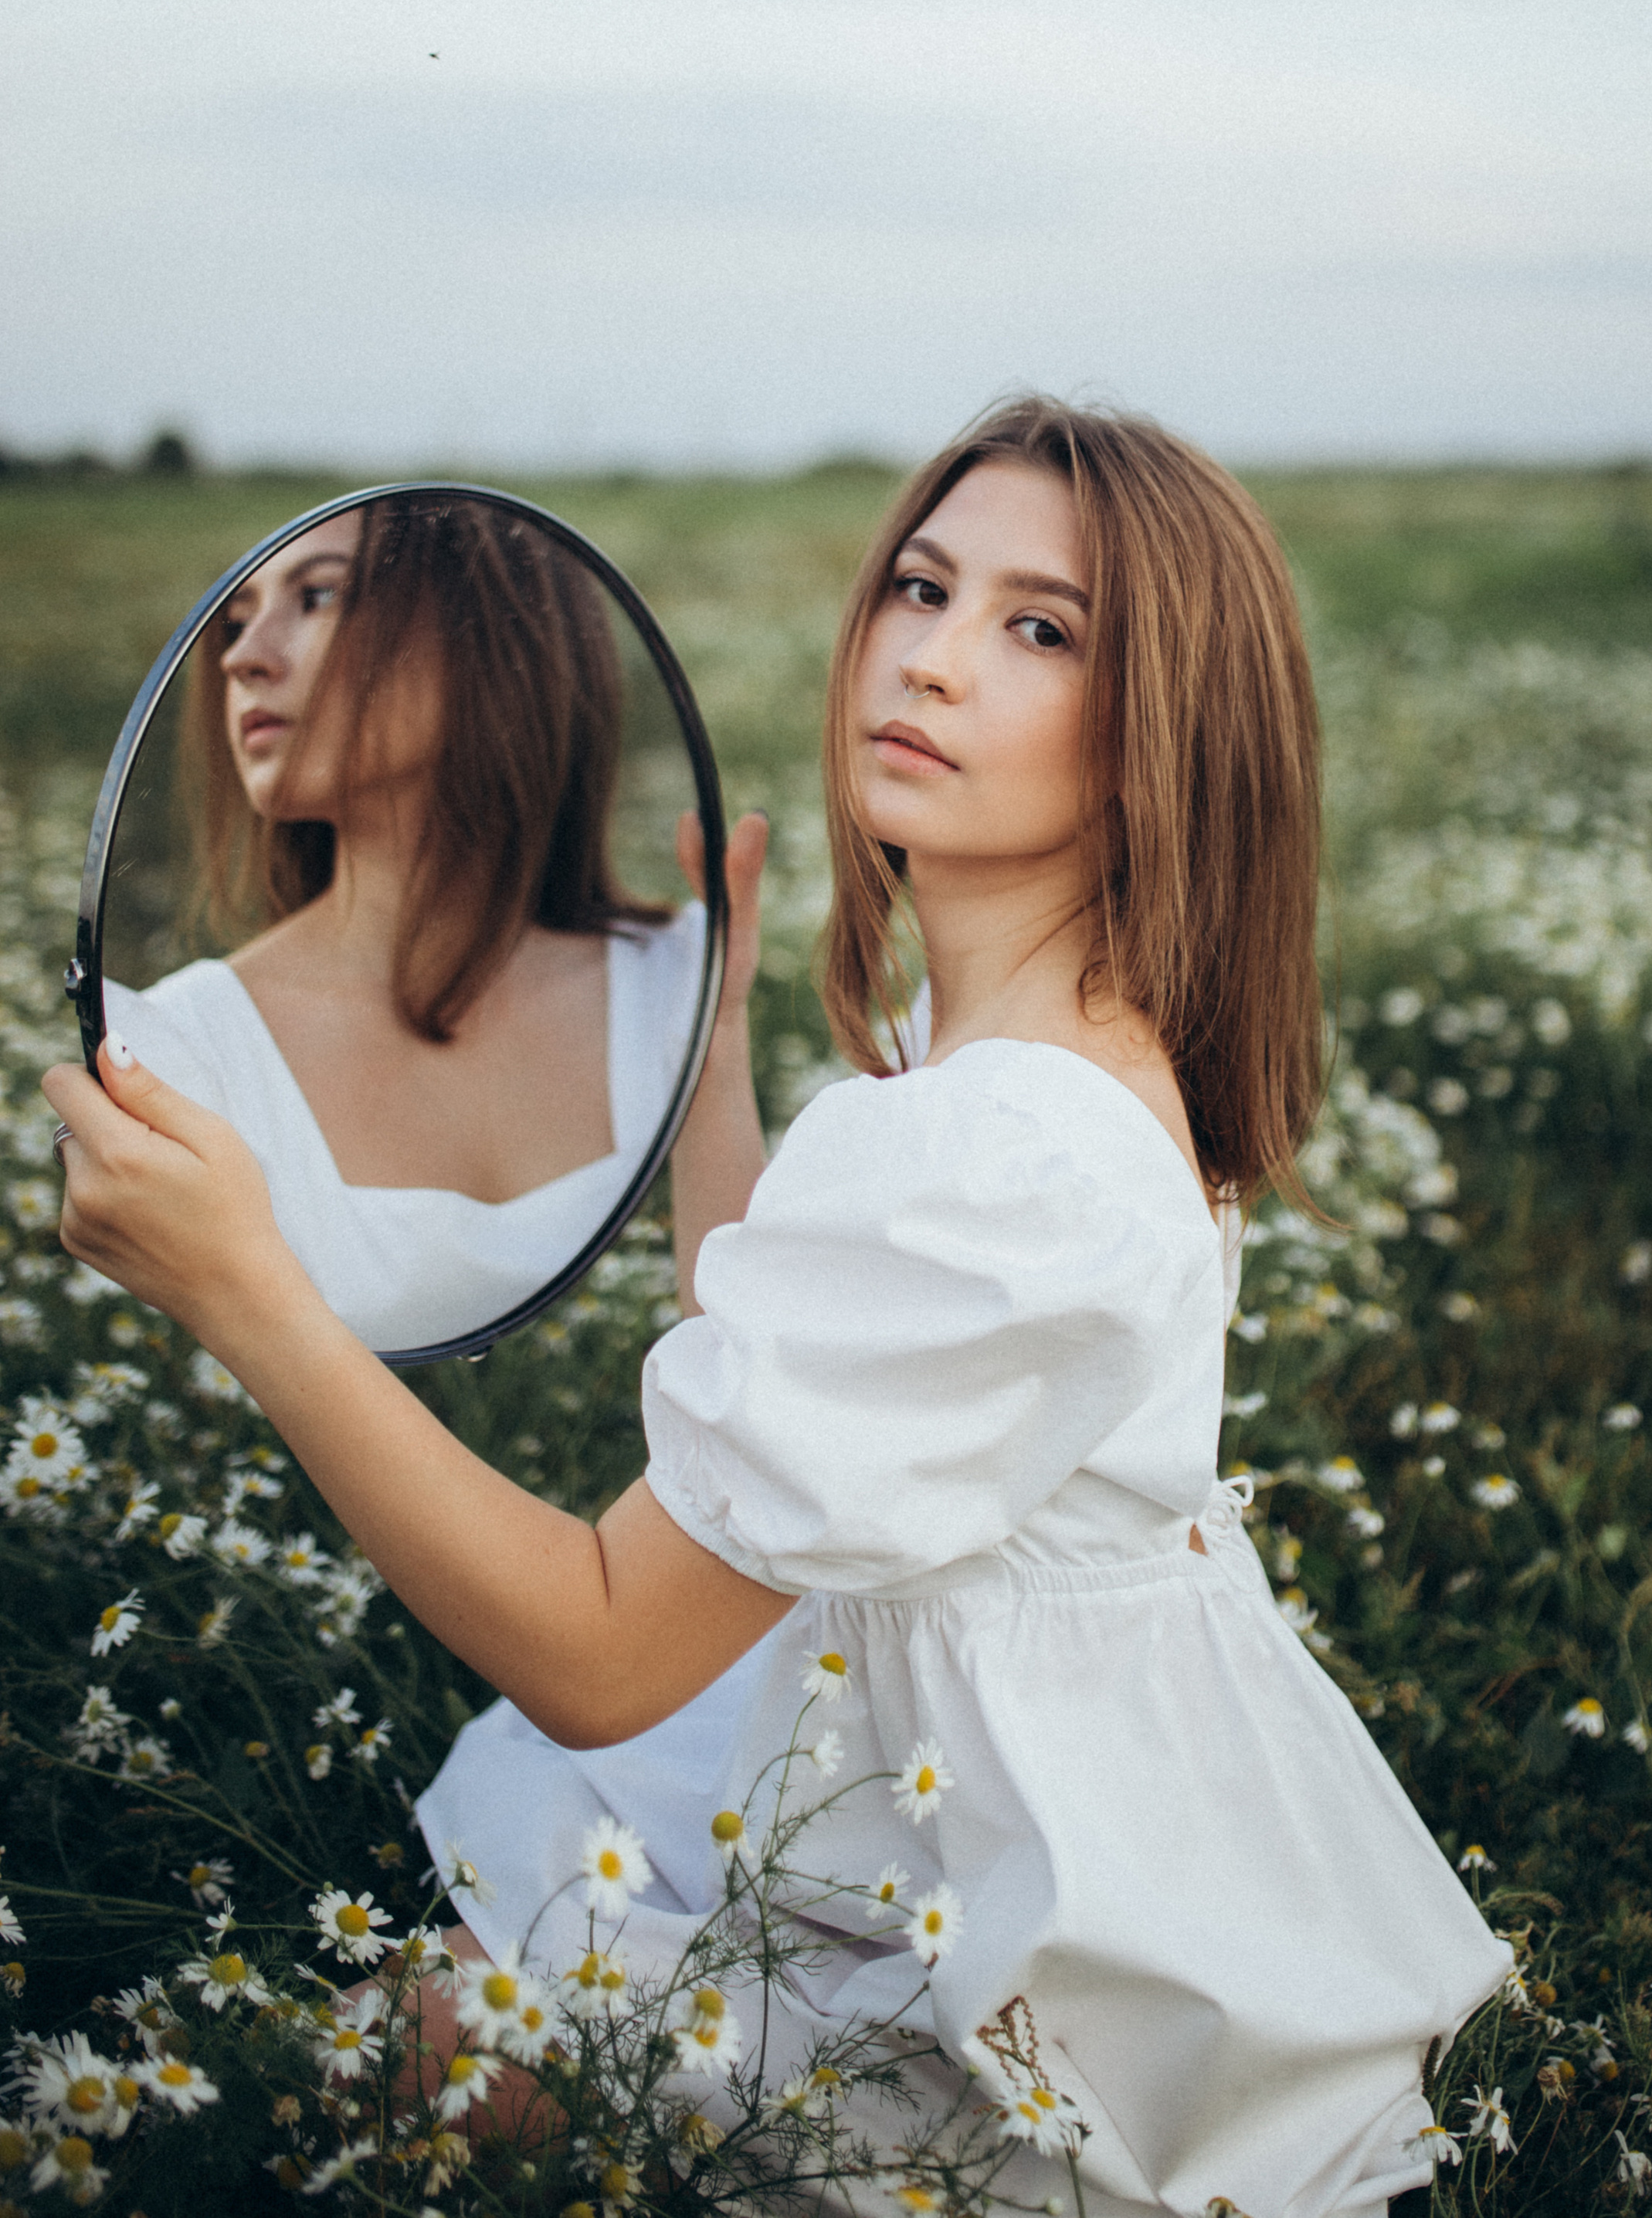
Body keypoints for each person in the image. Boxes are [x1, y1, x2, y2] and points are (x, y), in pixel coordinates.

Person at [48, 400, 1509, 2217]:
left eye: (1037, 628)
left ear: (1163, 734)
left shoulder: (1003, 1149)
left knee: (406, 2042)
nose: (930, 654)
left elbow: (596, 1652)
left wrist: (249, 1287)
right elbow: (810, 1388)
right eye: (919, 583)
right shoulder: (1031, 1053)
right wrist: (713, 1049)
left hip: (1018, 1961)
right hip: (987, 1798)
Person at [102, 491, 710, 1348]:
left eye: (317, 596)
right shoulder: (175, 1054)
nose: (241, 656)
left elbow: (736, 1376)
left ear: (490, 638)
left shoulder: (679, 981)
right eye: (236, 620)